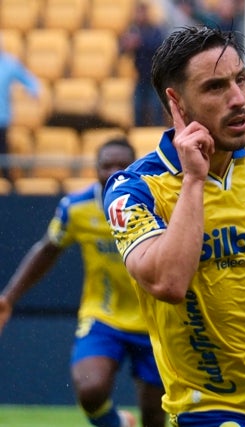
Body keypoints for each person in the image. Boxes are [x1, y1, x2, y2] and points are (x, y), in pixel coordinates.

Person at [102, 26, 245, 426]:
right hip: (211, 404)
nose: (238, 99)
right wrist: (194, 179)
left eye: (240, 79)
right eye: (215, 87)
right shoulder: (135, 190)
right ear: (176, 102)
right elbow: (168, 283)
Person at [0, 138, 165, 427]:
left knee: (154, 415)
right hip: (103, 316)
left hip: (155, 320)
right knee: (90, 390)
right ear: (95, 169)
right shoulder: (76, 208)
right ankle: (119, 424)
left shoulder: (156, 204)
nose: (113, 171)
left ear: (134, 167)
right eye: (106, 165)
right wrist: (9, 297)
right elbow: (47, 250)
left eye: (121, 165)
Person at [120, 1, 167, 127]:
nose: (139, 16)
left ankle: (158, 131)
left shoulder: (155, 29)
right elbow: (122, 50)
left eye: (141, 12)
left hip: (154, 77)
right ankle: (138, 132)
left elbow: (159, 47)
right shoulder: (133, 29)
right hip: (141, 76)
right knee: (137, 107)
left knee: (156, 107)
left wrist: (139, 42)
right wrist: (126, 44)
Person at [0, 39, 40, 179]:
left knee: (2, 149)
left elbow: (29, 80)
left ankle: (6, 178)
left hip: (2, 117)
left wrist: (33, 91)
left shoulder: (9, 64)